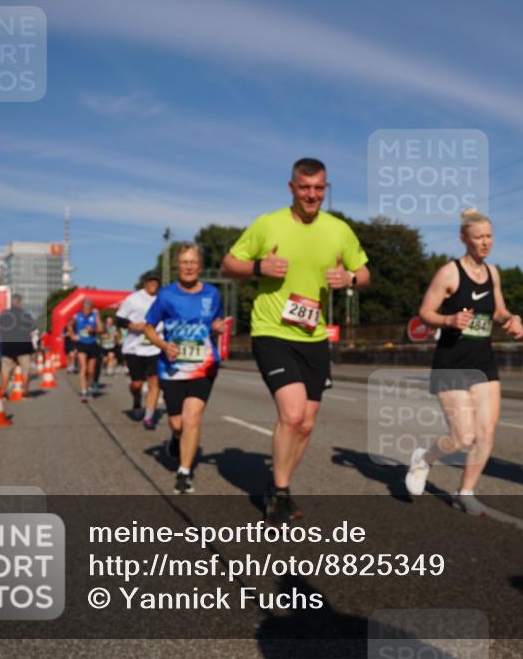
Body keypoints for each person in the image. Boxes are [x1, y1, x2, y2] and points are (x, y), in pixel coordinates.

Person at [222, 157, 369, 523]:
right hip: (272, 331)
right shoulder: (267, 224)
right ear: (291, 188)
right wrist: (259, 267)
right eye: (304, 188)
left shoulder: (339, 230)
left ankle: (277, 484)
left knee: (307, 423)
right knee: (291, 413)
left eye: (319, 188)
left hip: (313, 336)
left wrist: (349, 280)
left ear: (326, 188)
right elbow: (228, 264)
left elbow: (364, 272)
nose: (312, 194)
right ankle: (282, 493)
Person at [404, 209, 523, 515]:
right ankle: (424, 459)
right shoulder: (449, 273)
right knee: (463, 436)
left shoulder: (493, 273)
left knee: (486, 434)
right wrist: (449, 319)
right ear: (463, 239)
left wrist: (511, 320)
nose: (485, 243)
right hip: (452, 360)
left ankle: (465, 492)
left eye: (489, 236)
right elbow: (424, 313)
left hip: (483, 360)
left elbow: (498, 311)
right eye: (478, 237)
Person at [143, 245, 224, 494]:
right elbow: (148, 327)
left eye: (193, 262)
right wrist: (164, 345)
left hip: (204, 366)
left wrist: (218, 326)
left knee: (192, 418)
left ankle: (184, 472)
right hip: (172, 368)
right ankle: (176, 439)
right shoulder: (166, 296)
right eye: (184, 262)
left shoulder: (213, 294)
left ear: (200, 266)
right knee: (177, 424)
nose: (189, 266)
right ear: (177, 266)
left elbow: (216, 320)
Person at [116, 270, 163, 429]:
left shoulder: (163, 299)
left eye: (156, 282)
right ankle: (137, 400)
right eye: (150, 282)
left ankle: (149, 417)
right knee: (137, 384)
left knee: (154, 381)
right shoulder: (134, 299)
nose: (153, 284)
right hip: (134, 348)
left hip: (155, 347)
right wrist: (132, 325)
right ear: (145, 283)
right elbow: (119, 318)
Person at [0, 294, 37, 398]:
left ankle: (4, 390)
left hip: (8, 346)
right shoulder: (25, 314)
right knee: (26, 369)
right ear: (19, 302)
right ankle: (25, 391)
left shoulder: (4, 314)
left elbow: (1, 327)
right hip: (23, 346)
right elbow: (32, 327)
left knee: (6, 370)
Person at [72, 299, 101, 402]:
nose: (87, 311)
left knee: (91, 371)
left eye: (89, 309)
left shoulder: (95, 315)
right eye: (85, 309)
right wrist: (72, 335)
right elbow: (69, 325)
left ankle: (89, 388)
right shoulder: (77, 316)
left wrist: (93, 330)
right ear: (82, 308)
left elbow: (101, 329)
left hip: (92, 344)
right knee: (83, 367)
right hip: (81, 344)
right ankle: (83, 392)